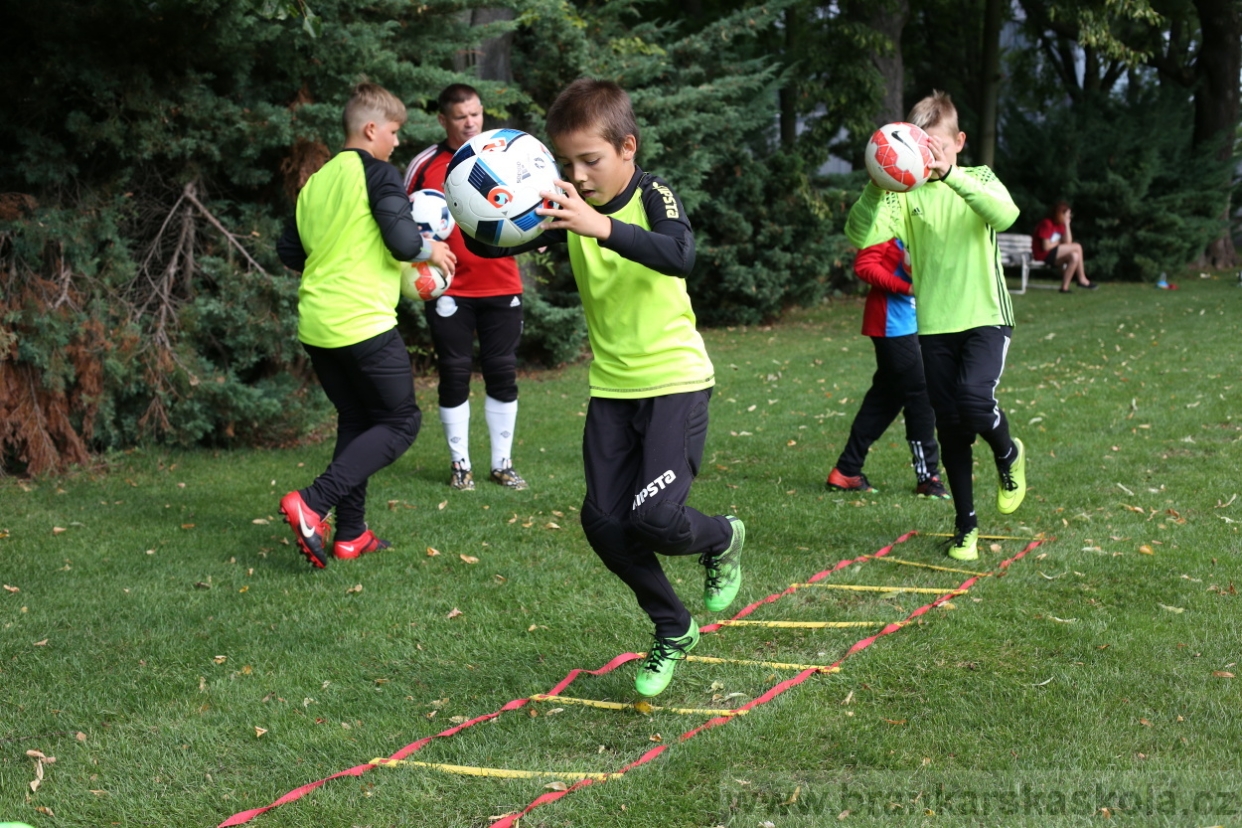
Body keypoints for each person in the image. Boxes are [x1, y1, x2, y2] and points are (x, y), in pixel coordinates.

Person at [464, 79, 744, 697]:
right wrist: (469, 204)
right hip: (612, 391)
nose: (578, 175)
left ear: (627, 148)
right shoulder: (569, 206)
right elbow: (495, 236)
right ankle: (673, 625)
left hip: (675, 381)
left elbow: (679, 254)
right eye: (567, 163)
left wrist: (600, 226)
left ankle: (723, 537)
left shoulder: (653, 194)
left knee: (657, 518)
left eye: (590, 160)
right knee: (603, 522)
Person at [275, 82, 457, 568]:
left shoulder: (316, 182)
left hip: (317, 324)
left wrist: (339, 261)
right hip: (362, 323)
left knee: (358, 420)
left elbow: (289, 250)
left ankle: (351, 533)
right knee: (401, 422)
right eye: (394, 132)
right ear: (371, 129)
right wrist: (432, 249)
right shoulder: (378, 172)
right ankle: (313, 502)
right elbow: (403, 241)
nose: (397, 142)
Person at [846, 90, 1027, 562]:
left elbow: (1007, 215)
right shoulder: (905, 196)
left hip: (987, 318)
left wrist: (950, 174)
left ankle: (1008, 453)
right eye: (920, 149)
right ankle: (966, 527)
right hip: (934, 329)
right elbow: (859, 235)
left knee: (974, 402)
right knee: (950, 429)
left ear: (959, 142)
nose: (928, 159)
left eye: (937, 149)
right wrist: (877, 184)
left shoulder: (978, 177)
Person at [403, 84, 528, 492]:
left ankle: (502, 464)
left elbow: (531, 202)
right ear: (443, 120)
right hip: (449, 289)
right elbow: (399, 222)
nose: (471, 122)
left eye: (476, 114)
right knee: (454, 373)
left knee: (502, 372)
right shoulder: (425, 164)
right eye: (461, 117)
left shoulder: (503, 157)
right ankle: (461, 466)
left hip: (502, 283)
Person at [826, 237, 949, 500]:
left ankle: (846, 470)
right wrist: (907, 288)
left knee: (886, 397)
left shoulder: (922, 220)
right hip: (891, 323)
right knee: (921, 392)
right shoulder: (885, 221)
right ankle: (928, 477)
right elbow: (864, 266)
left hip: (914, 321)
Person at [1031, 201, 1096, 292]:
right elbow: (1046, 247)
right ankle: (1082, 279)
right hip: (1043, 254)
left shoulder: (1060, 225)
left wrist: (1067, 225)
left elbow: (1068, 242)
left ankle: (1064, 288)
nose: (1069, 217)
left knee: (1074, 256)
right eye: (1067, 214)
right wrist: (1058, 242)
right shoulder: (1047, 223)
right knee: (1077, 247)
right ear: (1060, 214)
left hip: (1052, 254)